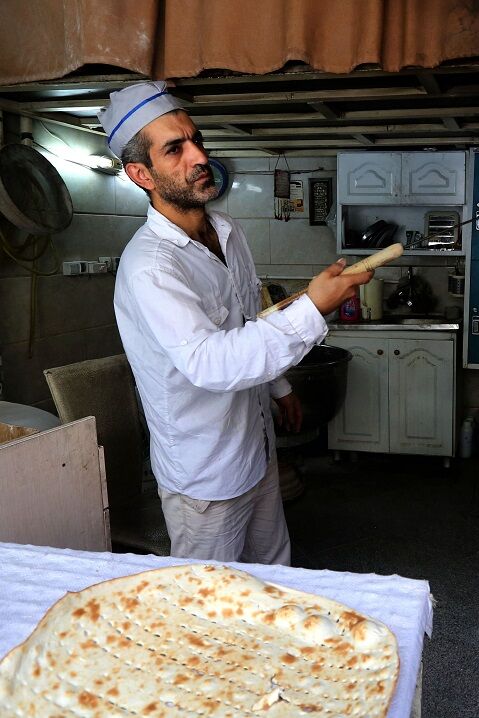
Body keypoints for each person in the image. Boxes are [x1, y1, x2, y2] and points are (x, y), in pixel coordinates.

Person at [99, 81, 371, 565]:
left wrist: (279, 387)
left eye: (196, 140)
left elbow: (248, 318)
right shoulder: (151, 266)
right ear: (141, 174)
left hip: (256, 449)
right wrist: (312, 306)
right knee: (211, 604)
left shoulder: (227, 230)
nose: (198, 156)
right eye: (175, 150)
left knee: (273, 574)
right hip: (205, 472)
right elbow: (210, 363)